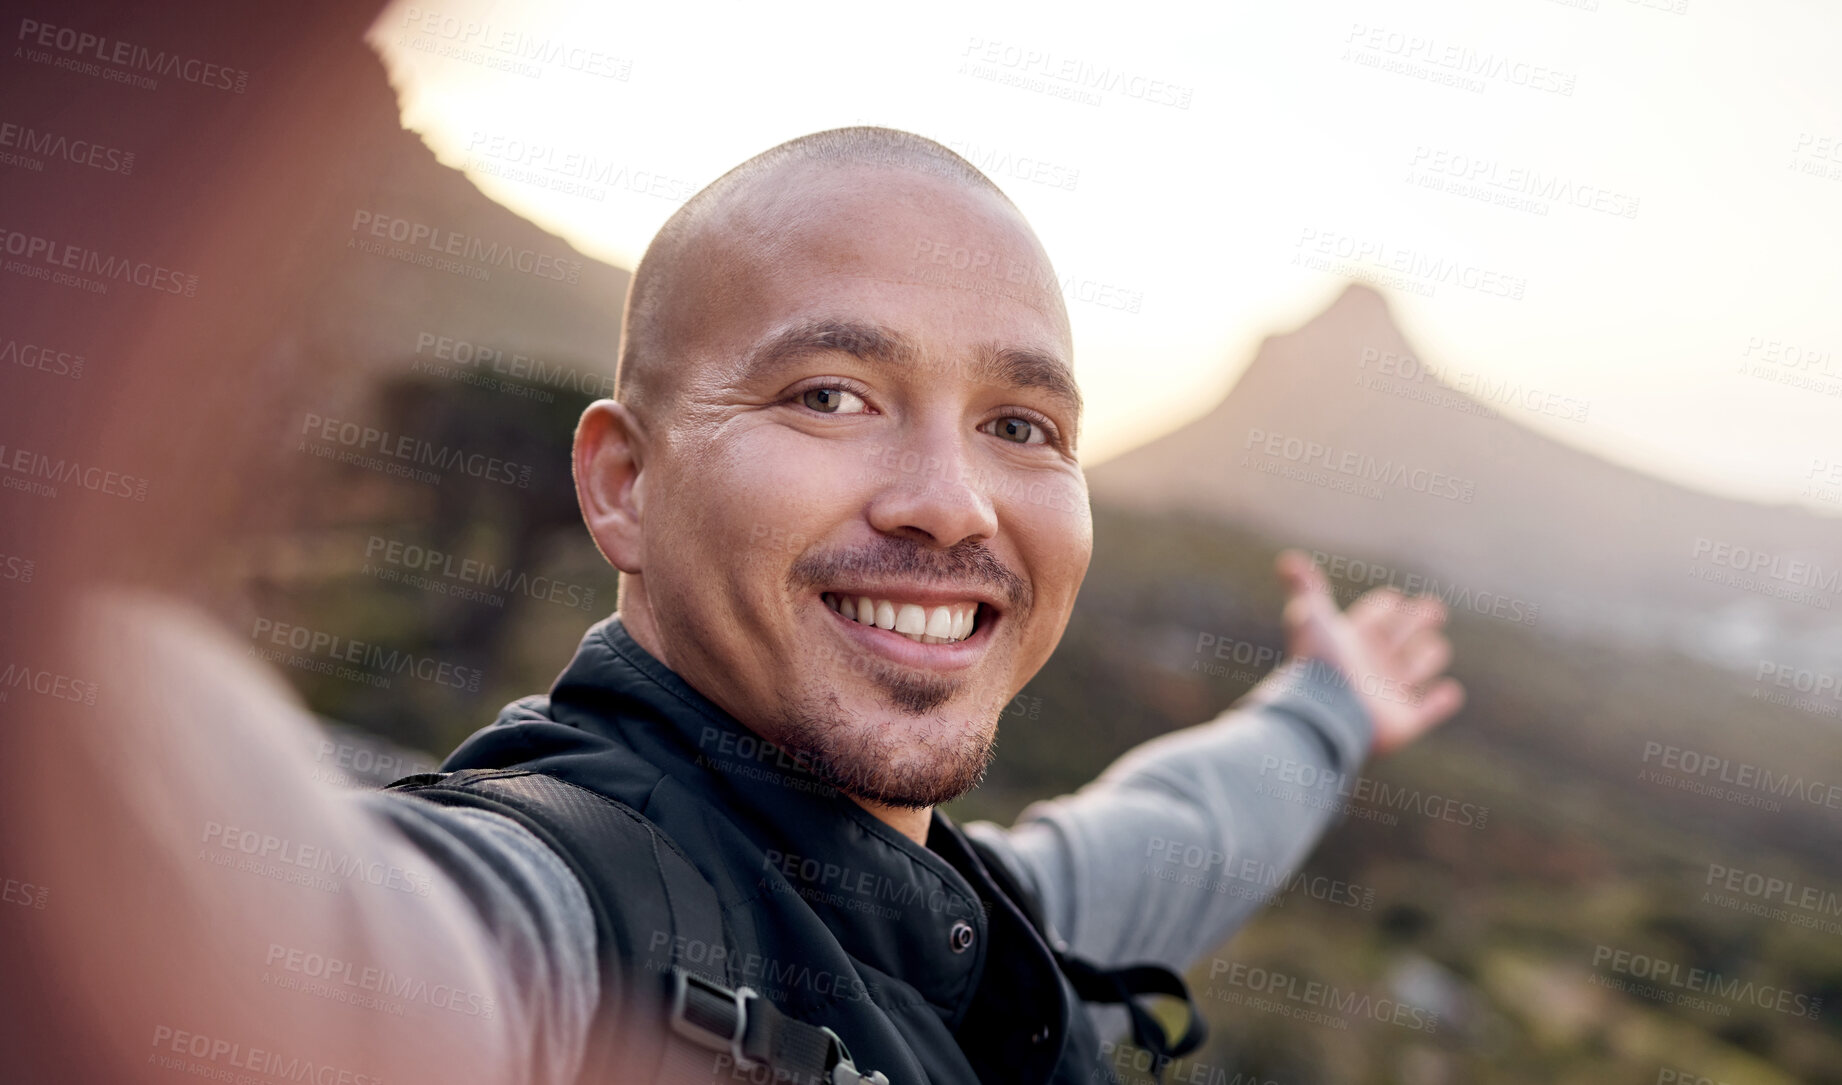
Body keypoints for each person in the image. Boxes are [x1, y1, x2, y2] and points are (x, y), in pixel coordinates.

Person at [7, 127, 1461, 1085]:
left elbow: (1179, 837)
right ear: (623, 485)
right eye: (831, 394)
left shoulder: (984, 938)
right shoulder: (546, 924)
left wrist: (1325, 707)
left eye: (1022, 424)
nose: (951, 502)